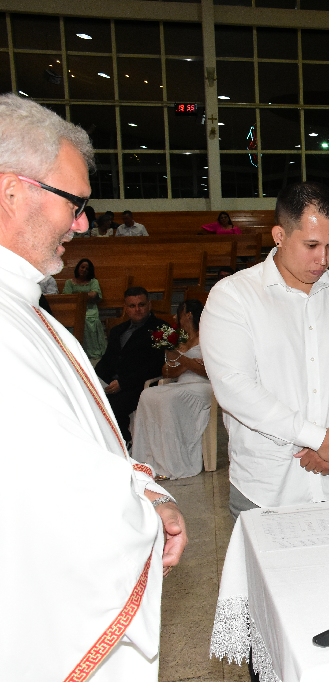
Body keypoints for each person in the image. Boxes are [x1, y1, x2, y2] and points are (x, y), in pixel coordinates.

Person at [0, 90, 185, 681]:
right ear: (11, 191)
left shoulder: (24, 308)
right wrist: (147, 509)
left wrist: (143, 488)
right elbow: (40, 484)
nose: (83, 222)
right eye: (73, 202)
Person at [202, 181, 329, 519]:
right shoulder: (233, 296)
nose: (323, 259)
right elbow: (235, 387)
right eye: (311, 245)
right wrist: (319, 438)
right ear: (279, 235)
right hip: (267, 489)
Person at [132, 299, 213, 480]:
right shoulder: (179, 340)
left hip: (203, 386)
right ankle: (149, 460)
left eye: (179, 314)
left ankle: (173, 462)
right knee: (147, 394)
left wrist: (183, 360)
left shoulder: (207, 335)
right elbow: (168, 371)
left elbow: (209, 371)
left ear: (188, 314)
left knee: (169, 398)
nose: (176, 318)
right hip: (182, 382)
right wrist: (183, 362)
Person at [95, 287, 167, 444]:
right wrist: (93, 379)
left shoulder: (161, 329)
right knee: (89, 402)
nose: (137, 309)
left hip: (139, 385)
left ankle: (123, 443)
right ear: (125, 308)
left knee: (113, 406)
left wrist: (123, 383)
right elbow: (107, 360)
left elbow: (156, 365)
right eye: (132, 306)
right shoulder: (117, 330)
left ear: (149, 305)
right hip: (113, 383)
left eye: (141, 304)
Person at [63, 257, 107, 359]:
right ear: (78, 267)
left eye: (87, 269)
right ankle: (74, 351)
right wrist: (84, 296)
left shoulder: (93, 282)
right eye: (82, 267)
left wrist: (78, 296)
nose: (84, 270)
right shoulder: (69, 282)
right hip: (74, 309)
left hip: (90, 309)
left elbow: (94, 295)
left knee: (87, 320)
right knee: (73, 319)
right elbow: (67, 298)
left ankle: (91, 351)